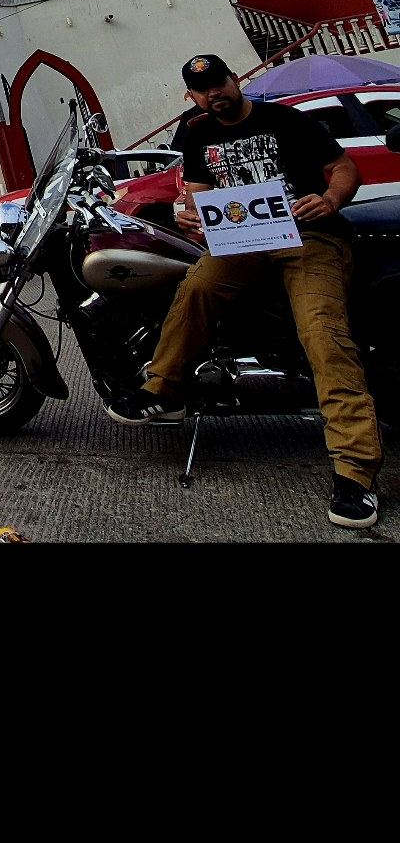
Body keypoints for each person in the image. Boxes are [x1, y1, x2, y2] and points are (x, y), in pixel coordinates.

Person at [104, 52, 382, 530]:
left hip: (308, 238)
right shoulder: (198, 135)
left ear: (235, 80)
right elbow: (194, 191)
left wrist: (331, 198)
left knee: (321, 333)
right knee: (193, 290)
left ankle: (355, 472)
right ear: (191, 97)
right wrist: (186, 213)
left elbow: (343, 168)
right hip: (242, 244)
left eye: (220, 82)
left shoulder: (286, 120)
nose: (215, 93)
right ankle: (164, 389)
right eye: (203, 89)